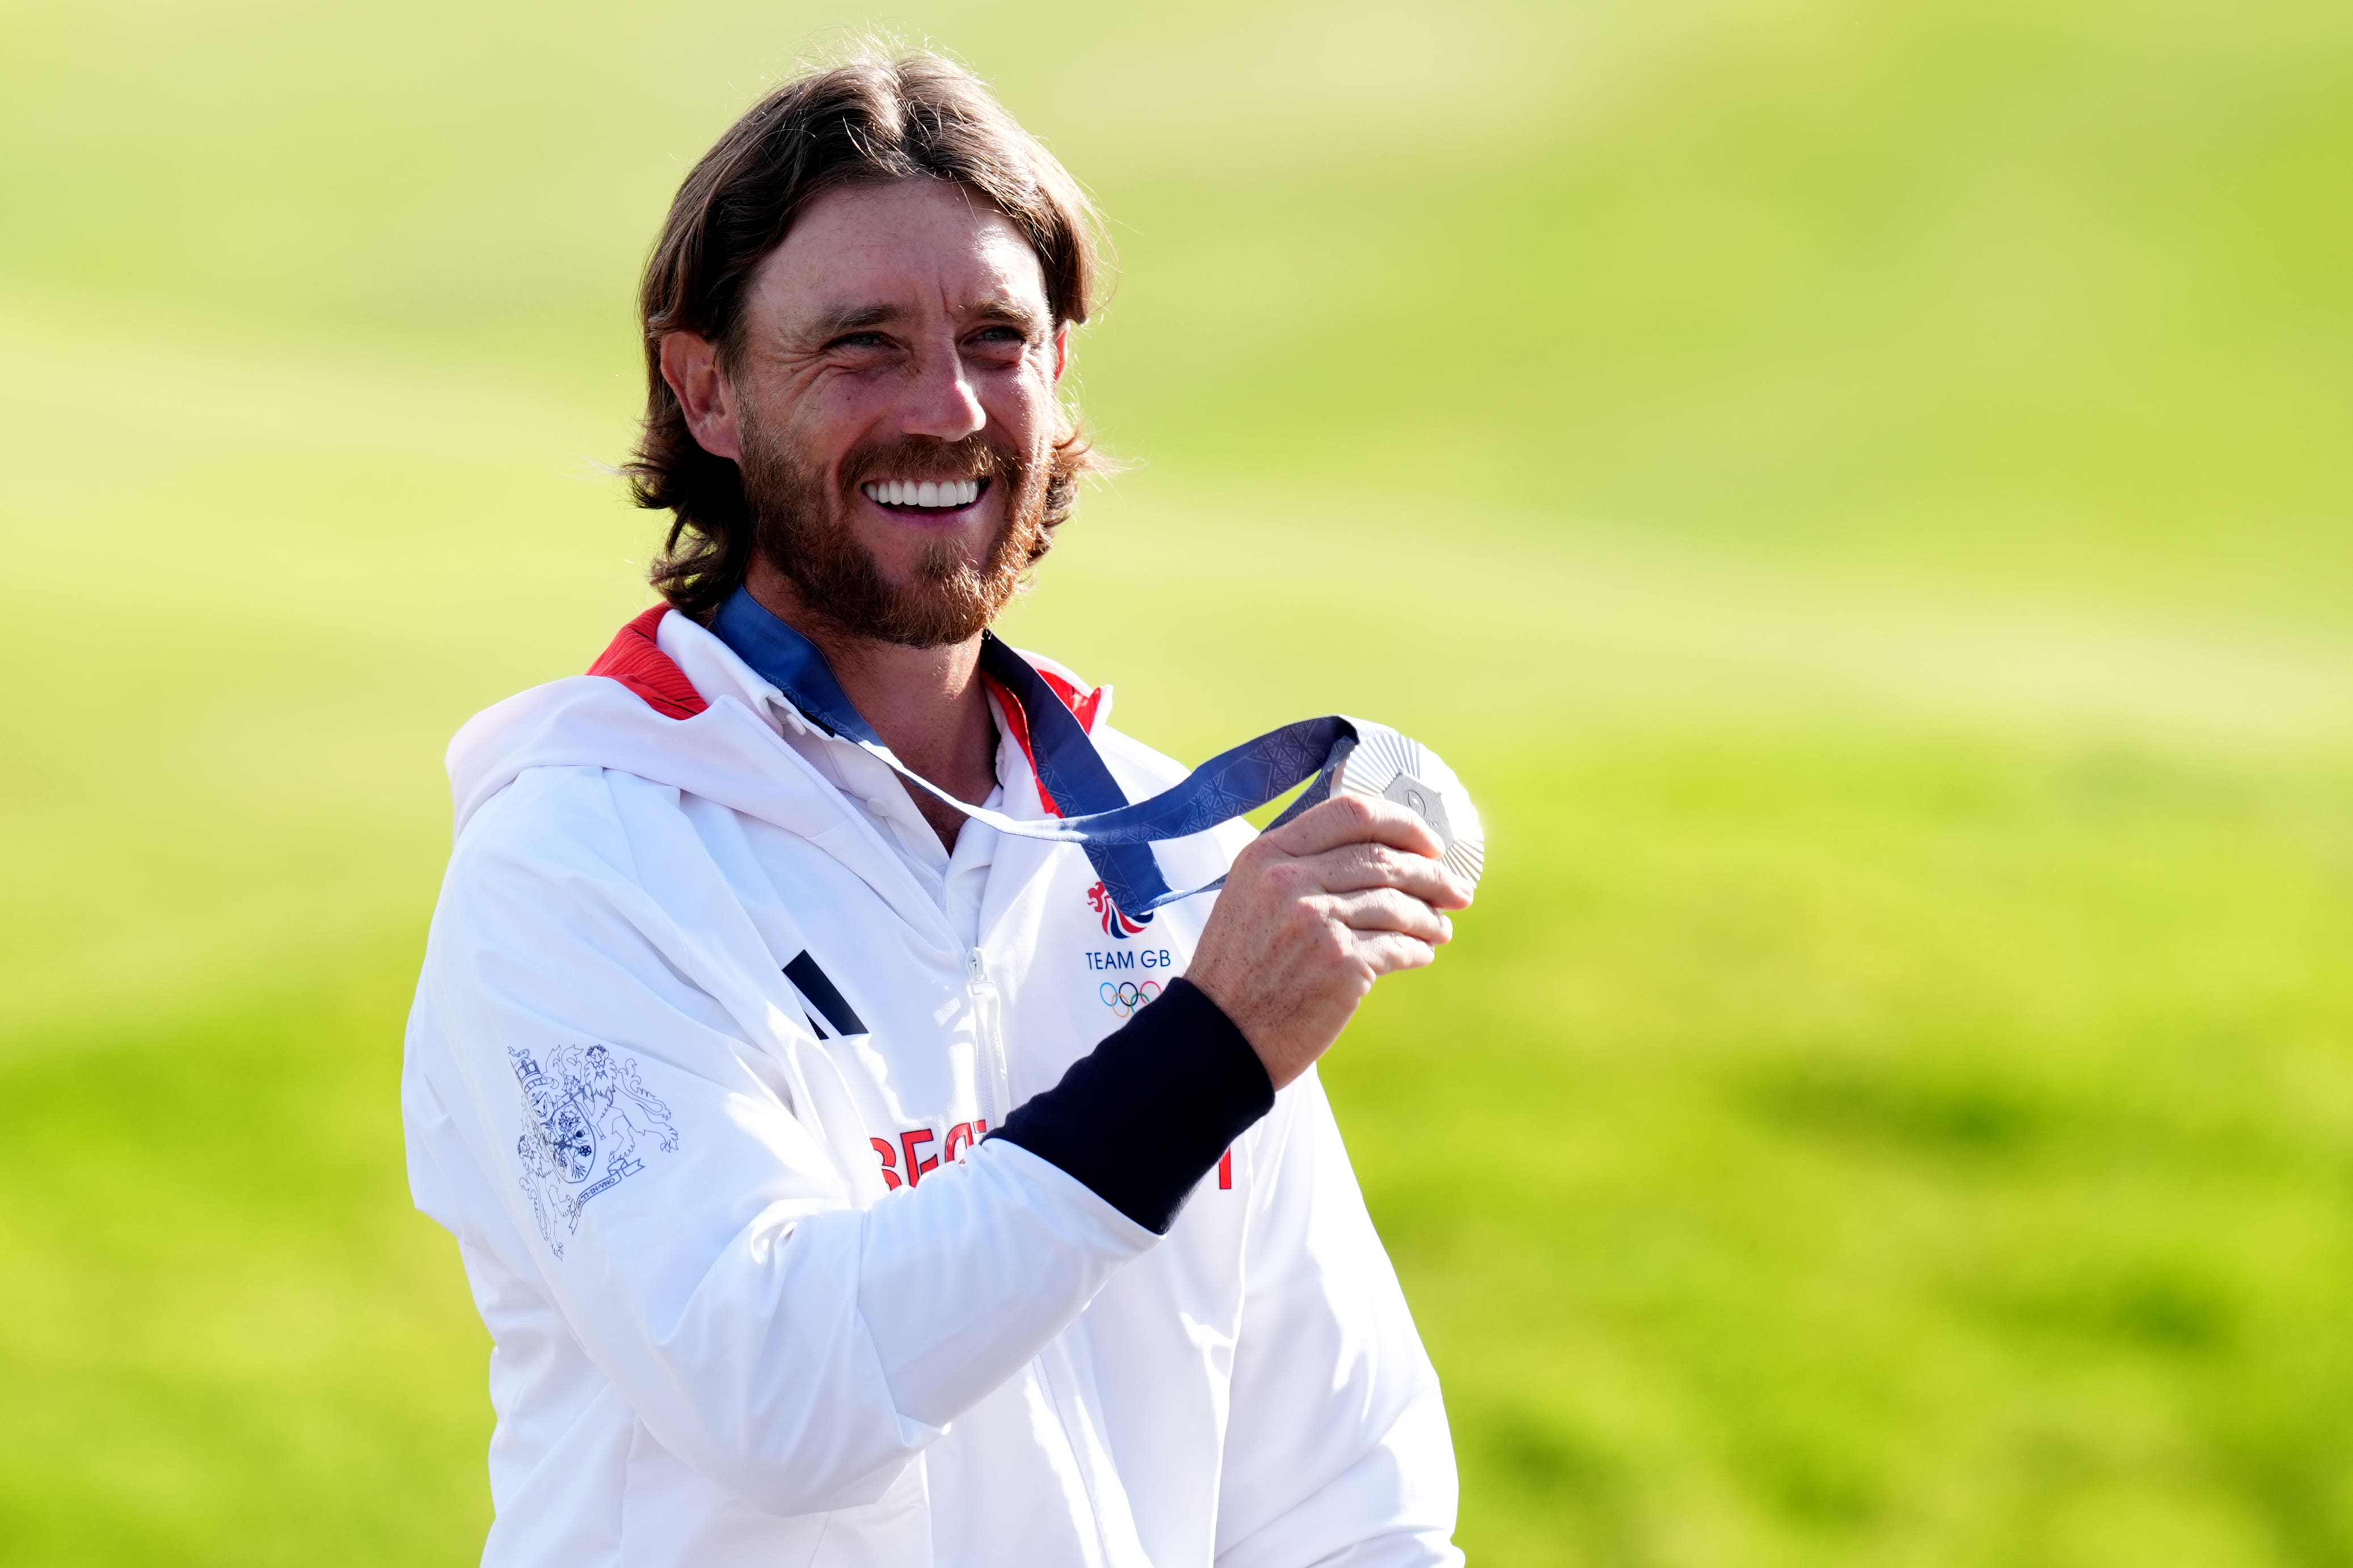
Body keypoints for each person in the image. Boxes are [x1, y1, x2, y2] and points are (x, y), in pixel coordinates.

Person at [402, 49, 1473, 1568]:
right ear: (705, 387)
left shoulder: (1166, 853)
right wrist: (1207, 1050)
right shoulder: (577, 860)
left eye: (995, 337)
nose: (948, 408)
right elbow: (773, 1393)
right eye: (861, 346)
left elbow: (1339, 1498)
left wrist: (1207, 1026)